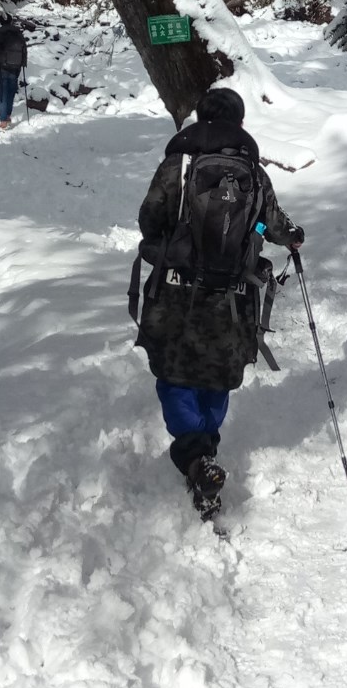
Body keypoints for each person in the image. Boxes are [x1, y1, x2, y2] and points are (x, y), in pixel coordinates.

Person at [130, 84, 303, 518]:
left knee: (174, 374)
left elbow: (149, 220)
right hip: (233, 297)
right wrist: (290, 236)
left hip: (175, 292)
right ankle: (204, 452)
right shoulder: (253, 173)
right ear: (239, 123)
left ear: (199, 119)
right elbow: (275, 226)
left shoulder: (180, 163)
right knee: (215, 375)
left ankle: (194, 456)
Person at [0, 15, 27, 130]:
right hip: (16, 66)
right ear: (11, 21)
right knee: (11, 91)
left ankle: (3, 121)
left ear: (1, 21)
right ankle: (8, 115)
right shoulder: (18, 32)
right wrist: (22, 64)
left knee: (2, 93)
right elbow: (24, 49)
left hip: (1, 66)